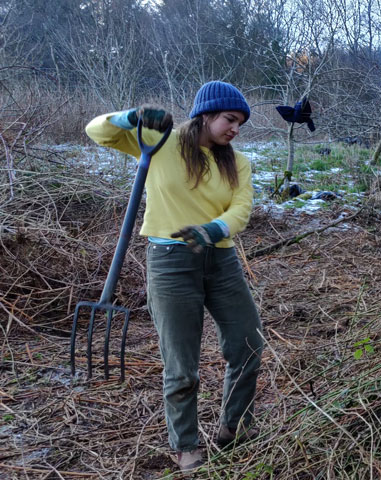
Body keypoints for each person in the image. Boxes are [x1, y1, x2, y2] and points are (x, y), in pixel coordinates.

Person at [85, 81, 263, 472]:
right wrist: (129, 118)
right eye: (230, 120)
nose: (235, 129)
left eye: (240, 123)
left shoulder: (238, 162)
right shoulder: (160, 141)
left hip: (221, 260)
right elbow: (96, 130)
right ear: (206, 114)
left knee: (248, 343)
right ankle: (185, 444)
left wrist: (213, 230)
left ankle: (234, 426)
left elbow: (241, 209)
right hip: (170, 261)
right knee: (182, 365)